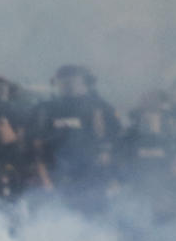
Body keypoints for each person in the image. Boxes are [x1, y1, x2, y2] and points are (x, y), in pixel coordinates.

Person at [30, 64, 121, 208]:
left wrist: (111, 174)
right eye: (62, 81)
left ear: (84, 82)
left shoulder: (101, 108)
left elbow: (115, 140)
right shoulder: (45, 109)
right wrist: (43, 174)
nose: (67, 85)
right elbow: (36, 141)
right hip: (55, 174)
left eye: (72, 80)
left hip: (92, 174)